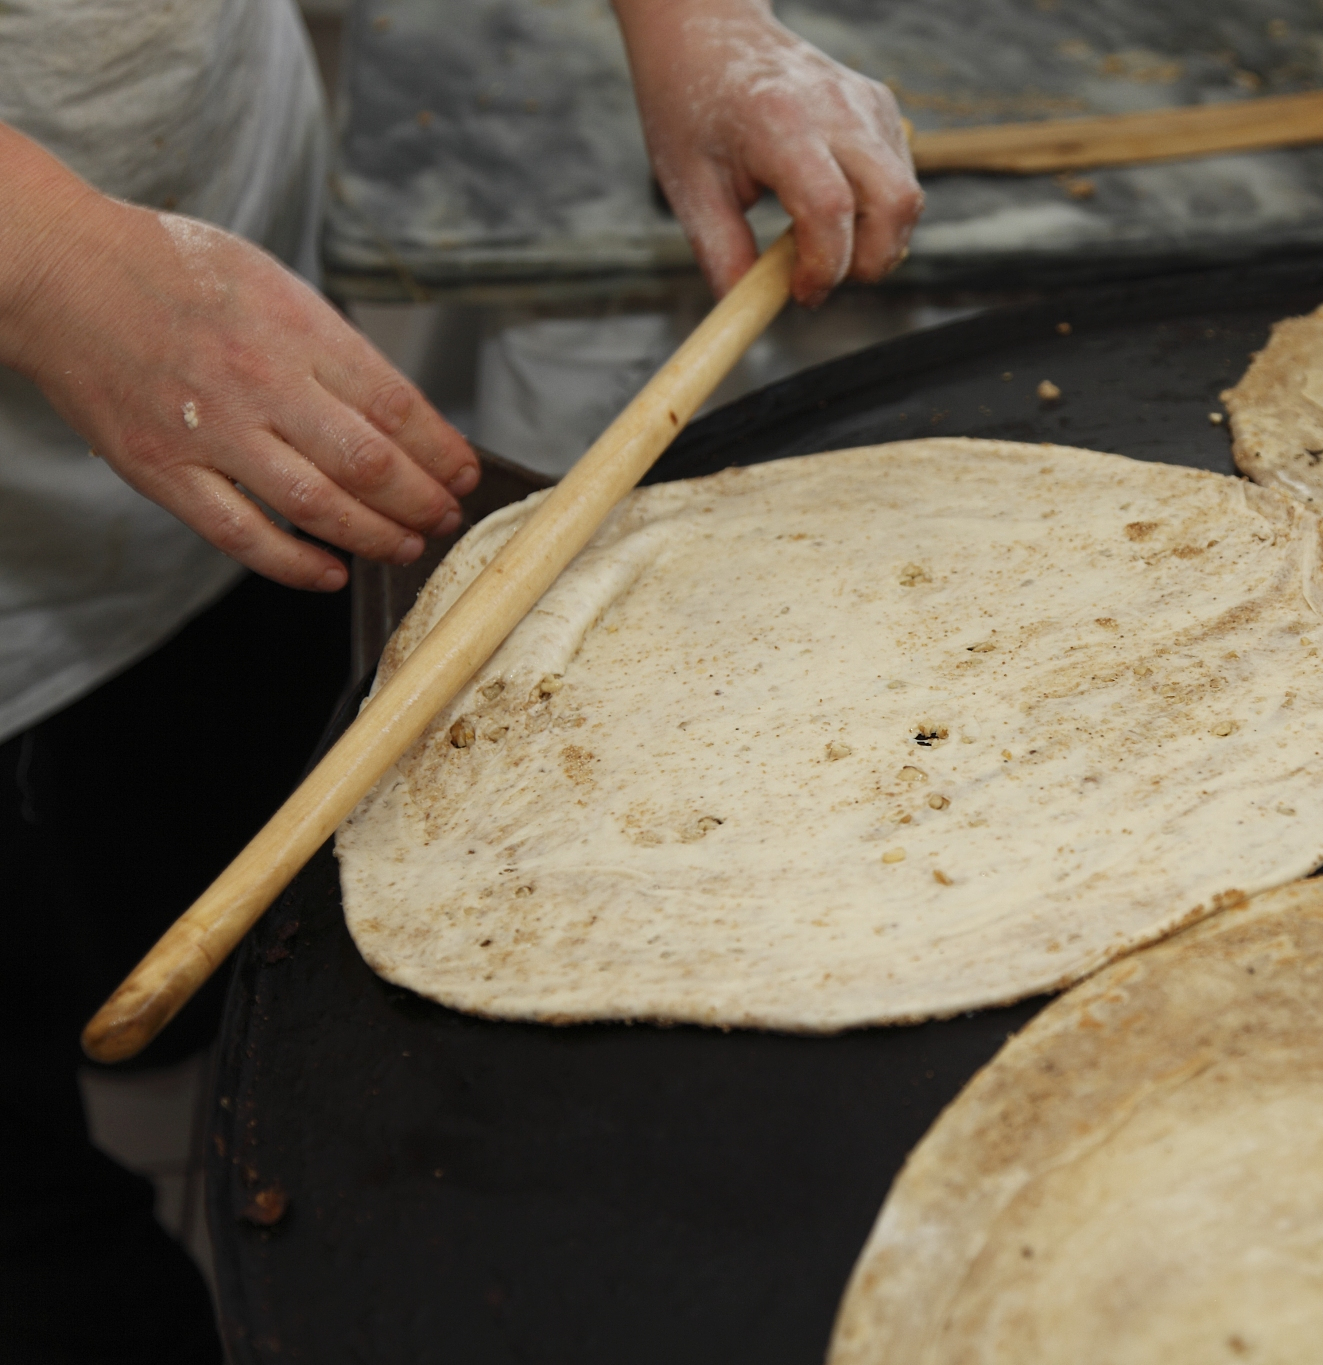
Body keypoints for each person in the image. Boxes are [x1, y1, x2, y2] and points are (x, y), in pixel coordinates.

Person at [0, 1, 921, 1359]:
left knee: (216, 860)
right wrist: (53, 263)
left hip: (204, 251)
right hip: (88, 277)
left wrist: (694, 21)